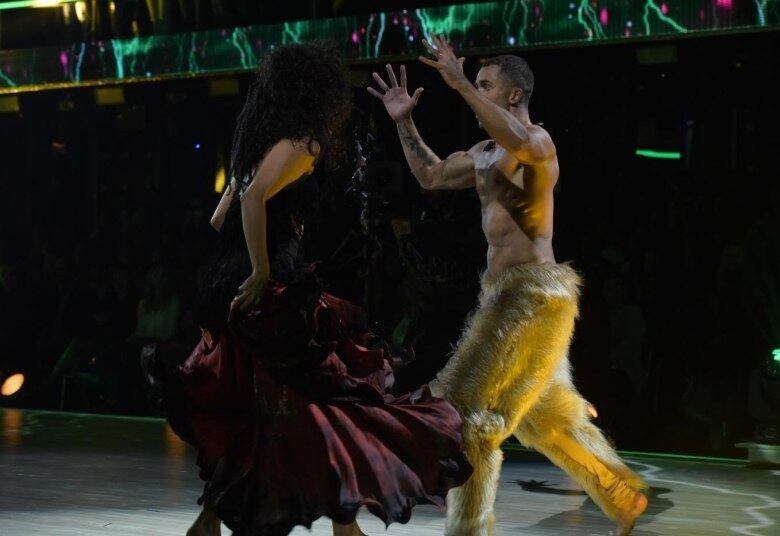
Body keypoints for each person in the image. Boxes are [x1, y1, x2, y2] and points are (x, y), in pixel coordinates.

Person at [143, 41, 470, 536]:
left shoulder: (253, 147)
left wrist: (252, 253)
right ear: (318, 94)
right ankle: (340, 522)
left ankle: (226, 520)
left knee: (276, 412)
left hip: (232, 290)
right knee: (326, 401)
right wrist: (262, 269)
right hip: (271, 291)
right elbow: (252, 200)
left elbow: (218, 219)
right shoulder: (302, 143)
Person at [368, 34, 647, 535]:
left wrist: (458, 84)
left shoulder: (537, 142)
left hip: (530, 295)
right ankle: (620, 493)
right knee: (544, 417)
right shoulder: (482, 153)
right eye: (475, 83)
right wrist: (404, 121)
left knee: (465, 412)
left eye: (486, 85)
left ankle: (469, 528)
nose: (476, 91)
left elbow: (517, 140)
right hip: (514, 298)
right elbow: (431, 176)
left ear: (514, 94)